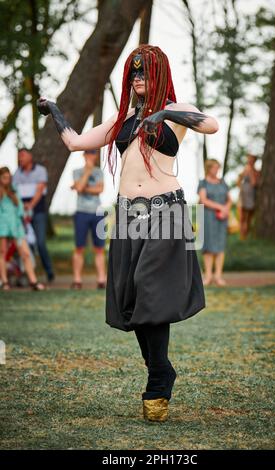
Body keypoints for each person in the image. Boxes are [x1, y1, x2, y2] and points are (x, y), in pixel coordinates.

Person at [36, 44, 219, 422]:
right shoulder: (122, 121)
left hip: (165, 212)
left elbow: (212, 124)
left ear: (159, 76)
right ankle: (160, 369)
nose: (138, 78)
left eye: (145, 73)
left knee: (148, 286)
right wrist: (54, 110)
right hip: (127, 217)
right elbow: (74, 142)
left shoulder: (176, 115)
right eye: (133, 73)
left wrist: (164, 111)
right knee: (133, 299)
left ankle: (157, 379)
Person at [13, 148, 55, 283]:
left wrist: (30, 205)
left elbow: (40, 190)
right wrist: (22, 207)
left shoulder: (40, 171)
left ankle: (49, 272)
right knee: (25, 244)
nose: (21, 159)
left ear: (30, 157)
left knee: (40, 243)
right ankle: (29, 274)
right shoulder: (17, 174)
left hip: (38, 212)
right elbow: (15, 193)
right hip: (22, 214)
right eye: (19, 157)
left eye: (23, 156)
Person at [0, 167, 45, 291]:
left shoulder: (13, 190)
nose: (6, 180)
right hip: (2, 225)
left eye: (8, 178)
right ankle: (4, 281)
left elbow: (19, 207)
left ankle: (33, 281)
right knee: (2, 253)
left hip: (16, 225)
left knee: (25, 253)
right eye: (4, 178)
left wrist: (24, 214)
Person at [71, 149, 107, 289]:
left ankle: (101, 280)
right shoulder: (77, 171)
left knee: (99, 248)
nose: (91, 156)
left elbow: (100, 190)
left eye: (93, 153)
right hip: (81, 212)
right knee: (79, 247)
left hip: (97, 212)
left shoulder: (99, 172)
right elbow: (79, 187)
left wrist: (81, 186)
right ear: (84, 155)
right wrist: (87, 172)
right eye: (89, 153)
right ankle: (77, 280)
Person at [197, 159, 232, 287]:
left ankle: (218, 275)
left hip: (222, 217)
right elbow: (203, 200)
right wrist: (220, 207)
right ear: (209, 168)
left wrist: (226, 209)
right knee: (209, 246)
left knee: (220, 245)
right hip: (208, 216)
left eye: (218, 168)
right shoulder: (203, 183)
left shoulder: (222, 182)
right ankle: (208, 276)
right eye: (215, 168)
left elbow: (229, 199)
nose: (217, 170)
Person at [237, 154, 260, 240]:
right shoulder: (244, 170)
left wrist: (250, 172)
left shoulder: (256, 171)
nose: (249, 161)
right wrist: (242, 175)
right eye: (248, 159)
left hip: (252, 196)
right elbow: (238, 183)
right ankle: (242, 236)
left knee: (249, 218)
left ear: (254, 161)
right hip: (243, 196)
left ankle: (246, 235)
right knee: (242, 217)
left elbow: (254, 183)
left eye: (251, 159)